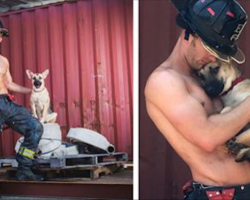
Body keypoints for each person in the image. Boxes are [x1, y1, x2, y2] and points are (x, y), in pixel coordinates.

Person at [145, 0, 250, 199]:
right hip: (222, 195)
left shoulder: (207, 78)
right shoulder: (165, 82)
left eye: (219, 53)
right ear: (188, 33)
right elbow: (208, 137)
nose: (214, 58)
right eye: (210, 50)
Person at [0, 20, 43, 181]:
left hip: (6, 104)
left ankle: (24, 168)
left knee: (35, 127)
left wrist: (31, 90)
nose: (0, 38)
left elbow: (9, 84)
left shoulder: (3, 60)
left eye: (1, 35)